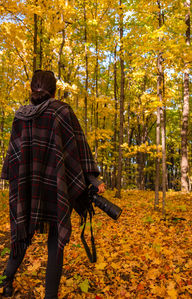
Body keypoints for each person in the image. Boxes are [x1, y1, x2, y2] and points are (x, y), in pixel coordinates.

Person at [0, 70, 105, 298]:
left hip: (25, 186)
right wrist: (92, 179)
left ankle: (5, 282)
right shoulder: (61, 111)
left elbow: (12, 159)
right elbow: (78, 148)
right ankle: (49, 296)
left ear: (31, 89)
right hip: (55, 186)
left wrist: (15, 181)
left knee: (21, 231)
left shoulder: (20, 116)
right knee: (56, 238)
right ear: (54, 90)